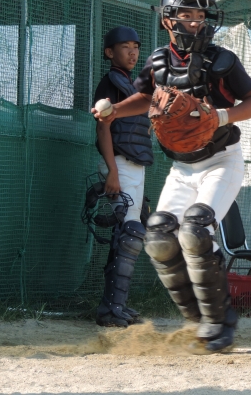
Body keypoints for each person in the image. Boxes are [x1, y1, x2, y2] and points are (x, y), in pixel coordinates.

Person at [92, 0, 251, 353]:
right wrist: (114, 111)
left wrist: (221, 116)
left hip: (221, 160)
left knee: (196, 231)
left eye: (201, 15)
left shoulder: (222, 60)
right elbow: (146, 97)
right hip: (183, 168)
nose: (196, 22)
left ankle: (220, 321)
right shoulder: (158, 61)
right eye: (187, 15)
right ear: (168, 21)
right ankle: (199, 320)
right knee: (158, 237)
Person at [92, 26, 154, 328]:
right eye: (125, 46)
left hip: (134, 165)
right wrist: (112, 172)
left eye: (136, 46)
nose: (133, 52)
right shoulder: (111, 83)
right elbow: (102, 127)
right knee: (130, 233)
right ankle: (111, 309)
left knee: (127, 233)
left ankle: (115, 305)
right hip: (119, 162)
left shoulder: (132, 86)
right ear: (109, 52)